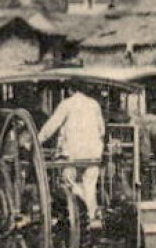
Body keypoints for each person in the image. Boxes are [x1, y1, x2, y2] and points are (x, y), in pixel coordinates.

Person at [38, 85, 105, 228]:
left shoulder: (67, 103)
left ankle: (77, 213)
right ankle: (93, 217)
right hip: (93, 153)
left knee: (68, 183)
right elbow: (102, 130)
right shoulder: (94, 104)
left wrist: (37, 140)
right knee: (90, 186)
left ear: (69, 90)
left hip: (73, 154)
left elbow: (52, 125)